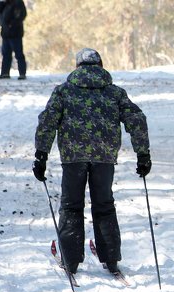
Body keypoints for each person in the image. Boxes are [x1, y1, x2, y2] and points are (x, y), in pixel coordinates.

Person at [33, 48, 152, 278]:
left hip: (73, 158)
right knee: (104, 205)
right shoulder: (115, 93)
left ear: (78, 66)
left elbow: (47, 121)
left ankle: (71, 258)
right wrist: (143, 154)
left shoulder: (63, 92)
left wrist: (41, 155)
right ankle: (110, 257)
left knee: (71, 206)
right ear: (101, 65)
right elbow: (137, 119)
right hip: (104, 158)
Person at [0, 0, 28, 80]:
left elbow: (21, 15)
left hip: (15, 33)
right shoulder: (5, 4)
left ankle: (22, 73)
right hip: (6, 33)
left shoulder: (18, 2)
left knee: (19, 54)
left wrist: (12, 24)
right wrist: (1, 3)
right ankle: (5, 73)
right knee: (6, 54)